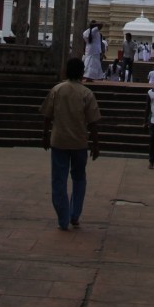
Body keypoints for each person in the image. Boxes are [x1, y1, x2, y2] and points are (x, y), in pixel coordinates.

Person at [40, 56, 101, 230]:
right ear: (82, 73)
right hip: (79, 142)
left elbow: (47, 116)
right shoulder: (86, 93)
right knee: (79, 178)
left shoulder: (57, 90)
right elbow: (93, 123)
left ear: (66, 71)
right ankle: (74, 214)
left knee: (58, 180)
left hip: (58, 140)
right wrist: (95, 144)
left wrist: (44, 136)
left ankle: (62, 218)